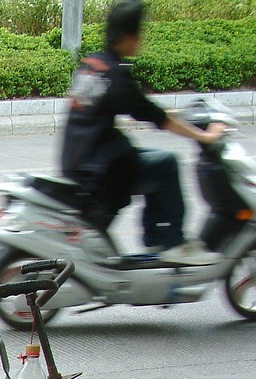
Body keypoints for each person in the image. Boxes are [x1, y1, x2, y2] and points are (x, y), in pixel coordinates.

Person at [60, 0, 226, 266]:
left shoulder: (92, 65)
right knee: (166, 163)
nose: (141, 40)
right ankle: (171, 242)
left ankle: (156, 238)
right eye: (140, 34)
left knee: (152, 159)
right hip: (100, 170)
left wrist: (181, 118)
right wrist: (206, 137)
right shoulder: (116, 76)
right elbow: (156, 117)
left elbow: (149, 109)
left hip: (80, 158)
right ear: (128, 37)